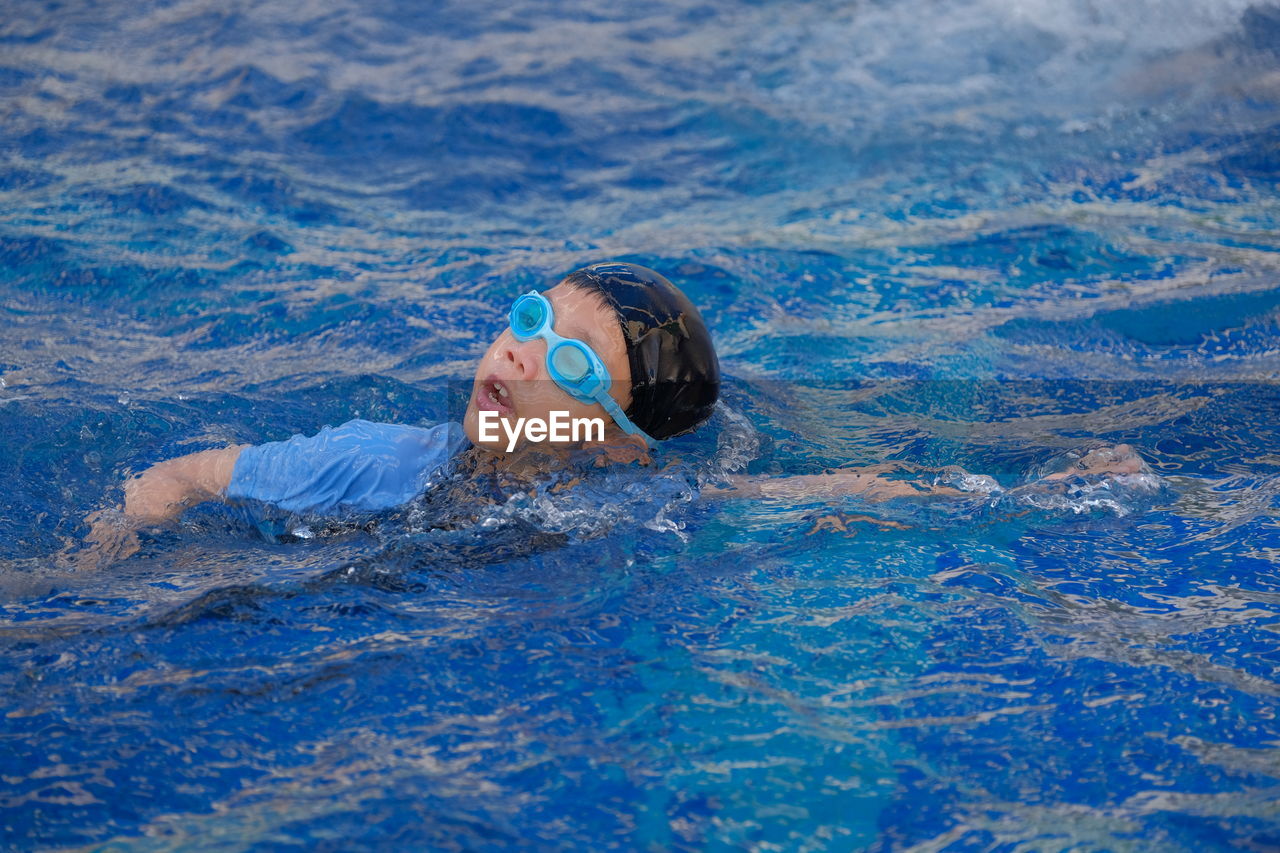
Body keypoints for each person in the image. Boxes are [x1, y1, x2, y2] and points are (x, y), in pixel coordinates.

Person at [74, 261, 1150, 567]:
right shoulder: (375, 458)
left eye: (564, 357)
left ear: (618, 434)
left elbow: (849, 496)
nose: (511, 350)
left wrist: (1043, 496)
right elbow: (185, 475)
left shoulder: (658, 501)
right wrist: (120, 540)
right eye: (523, 320)